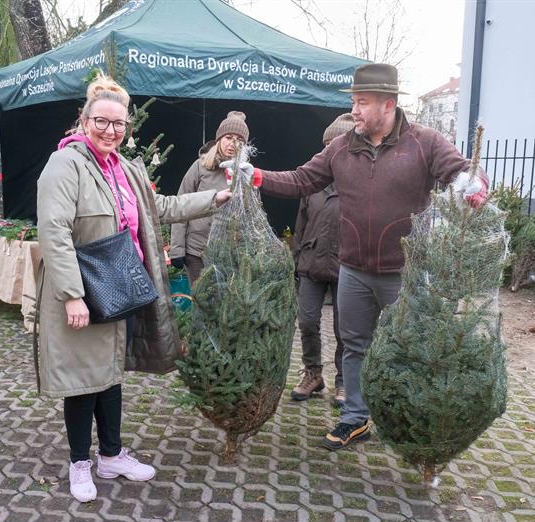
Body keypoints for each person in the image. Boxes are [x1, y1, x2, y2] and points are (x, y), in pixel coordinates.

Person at [241, 63, 489, 450]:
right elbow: (302, 179)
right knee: (353, 344)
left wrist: (473, 187)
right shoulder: (342, 147)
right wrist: (257, 176)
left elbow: (462, 172)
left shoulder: (424, 142)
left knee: (410, 347)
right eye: (354, 102)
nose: (354, 110)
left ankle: (409, 421)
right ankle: (355, 419)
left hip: (404, 272)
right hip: (353, 271)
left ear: (388, 104)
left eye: (362, 102)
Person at [36, 75, 231, 504]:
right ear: (84, 120)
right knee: (83, 379)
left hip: (120, 287)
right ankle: (79, 462)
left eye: (119, 124)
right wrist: (72, 295)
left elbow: (160, 208)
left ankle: (110, 455)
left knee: (109, 374)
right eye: (102, 122)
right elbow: (53, 231)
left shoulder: (125, 168)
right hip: (85, 289)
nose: (111, 131)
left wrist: (213, 200)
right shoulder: (65, 165)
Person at [290, 113, 354, 405]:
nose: (330, 150)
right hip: (311, 263)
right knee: (306, 321)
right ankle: (313, 374)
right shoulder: (312, 182)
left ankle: (344, 381)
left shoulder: (360, 183)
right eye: (327, 145)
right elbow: (300, 225)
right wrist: (297, 257)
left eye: (336, 144)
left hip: (347, 267)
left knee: (345, 329)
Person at [170, 111, 249, 284]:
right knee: (201, 298)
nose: (233, 144)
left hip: (229, 255)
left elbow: (249, 215)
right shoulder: (200, 167)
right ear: (219, 139)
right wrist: (177, 249)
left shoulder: (245, 173)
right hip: (197, 252)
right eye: (228, 137)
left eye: (239, 140)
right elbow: (180, 205)